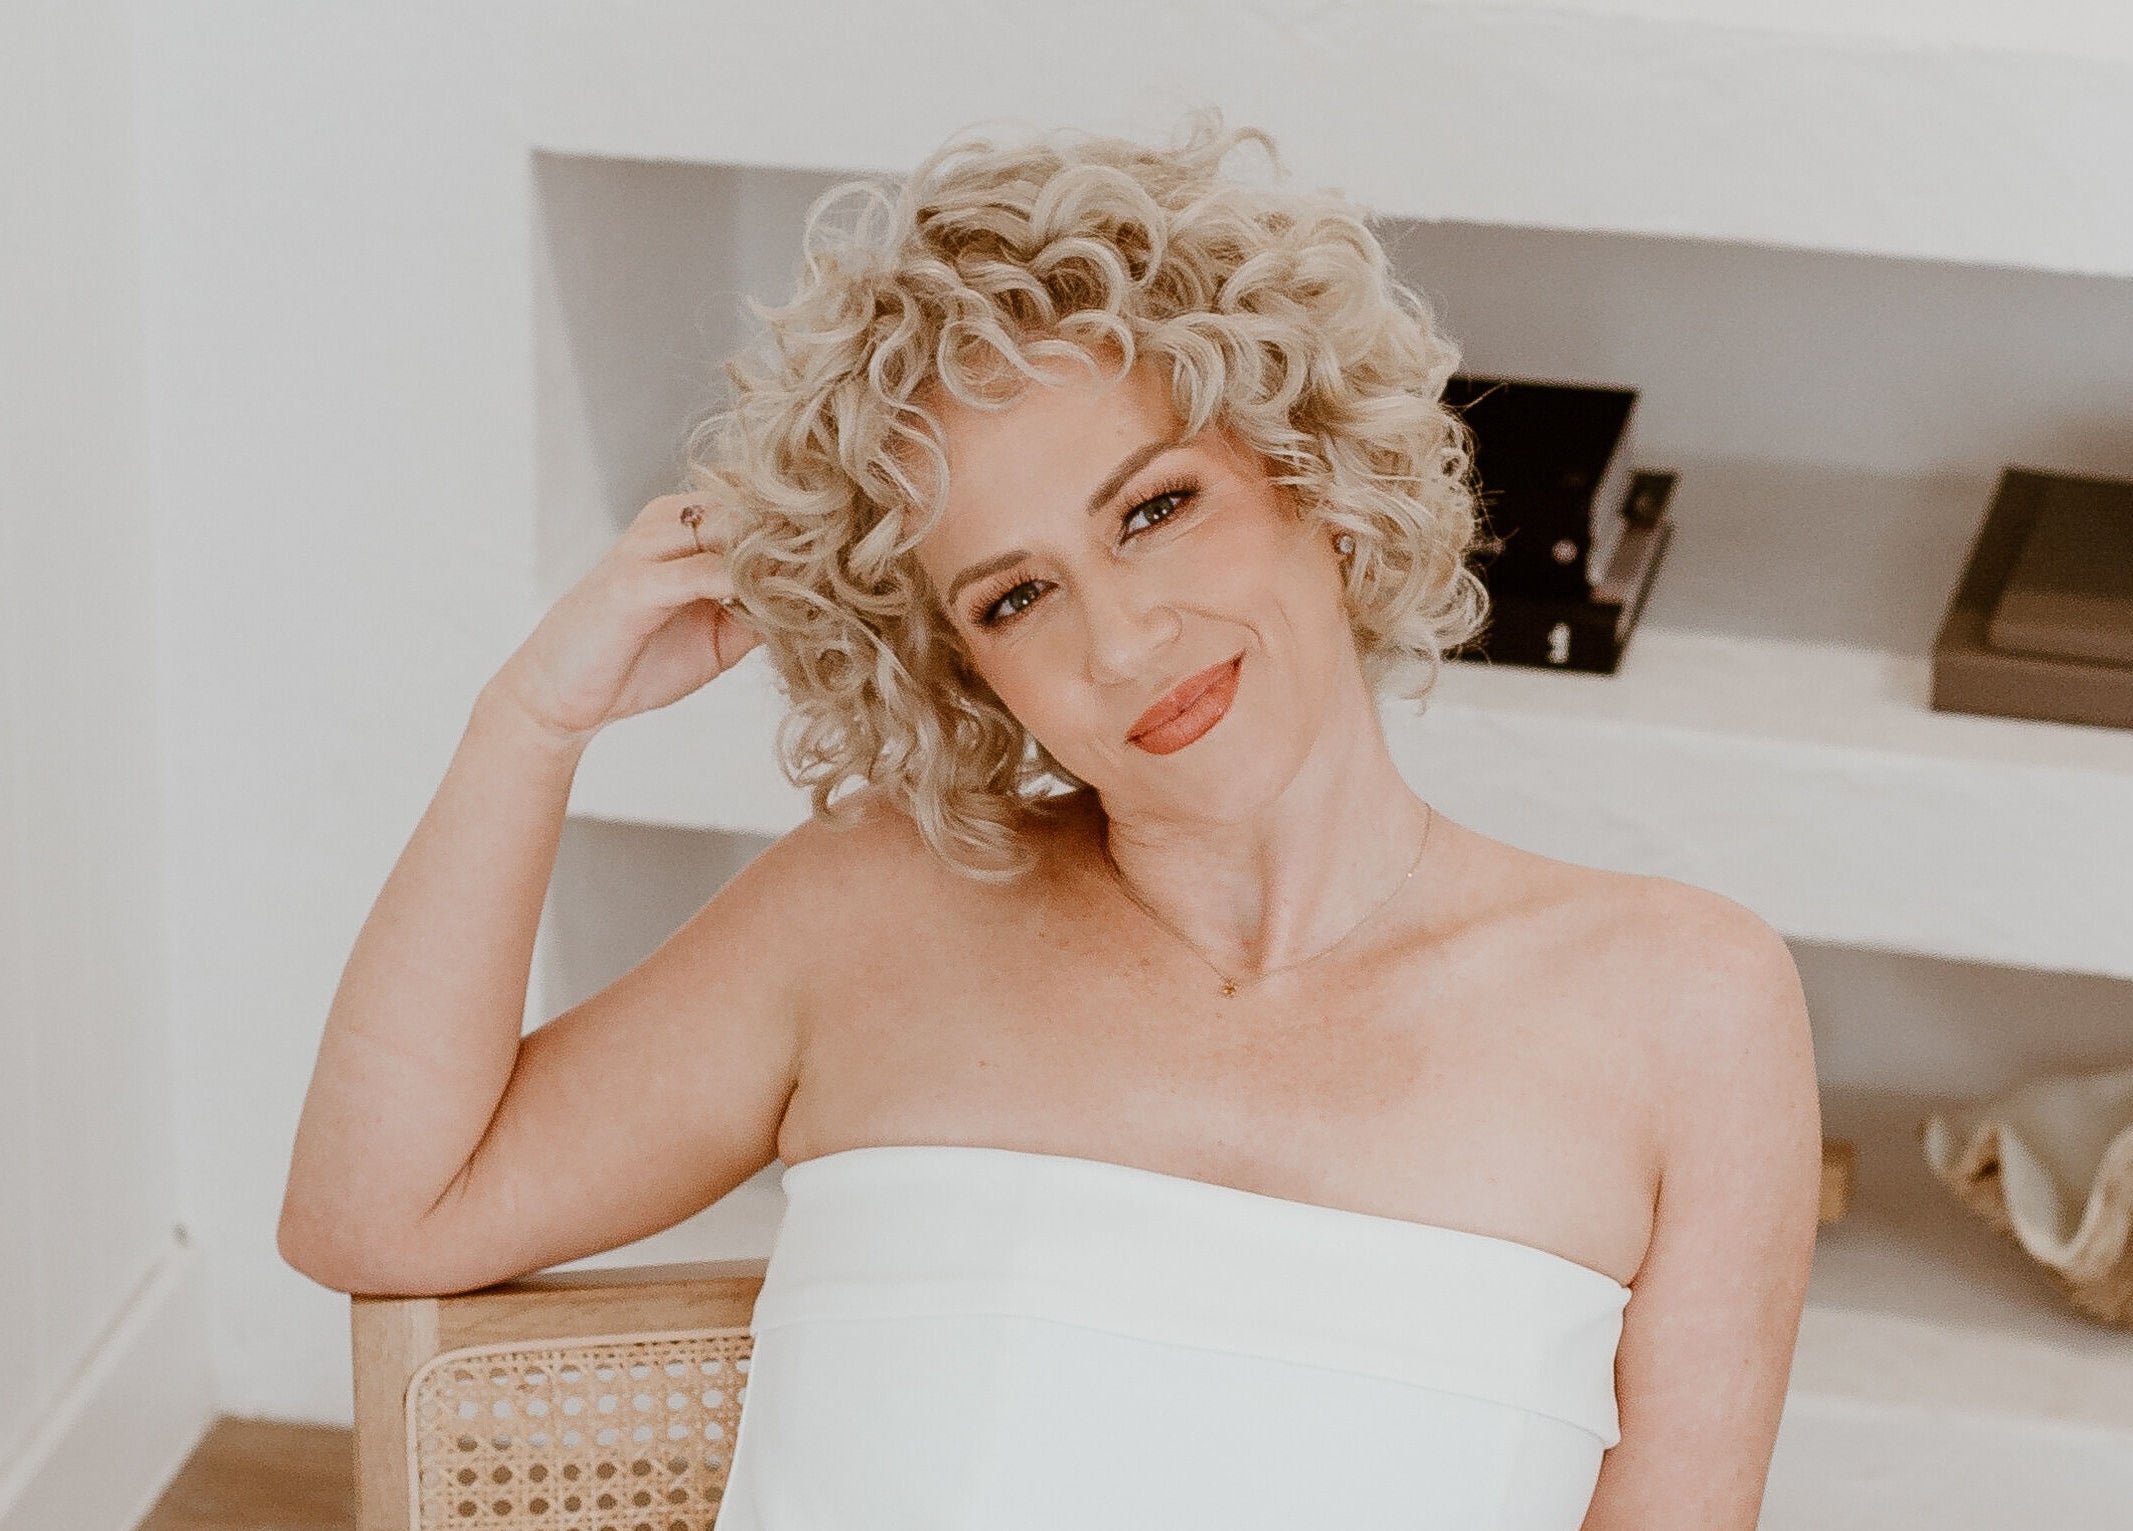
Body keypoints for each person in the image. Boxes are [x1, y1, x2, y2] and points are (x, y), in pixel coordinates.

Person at [280, 107, 1823, 1529]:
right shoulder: (871, 914)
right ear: (964, 668)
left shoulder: (1685, 1007)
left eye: (1154, 509)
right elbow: (380, 1213)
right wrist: (531, 720)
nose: (1122, 641)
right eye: (1016, 597)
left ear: (1313, 476)